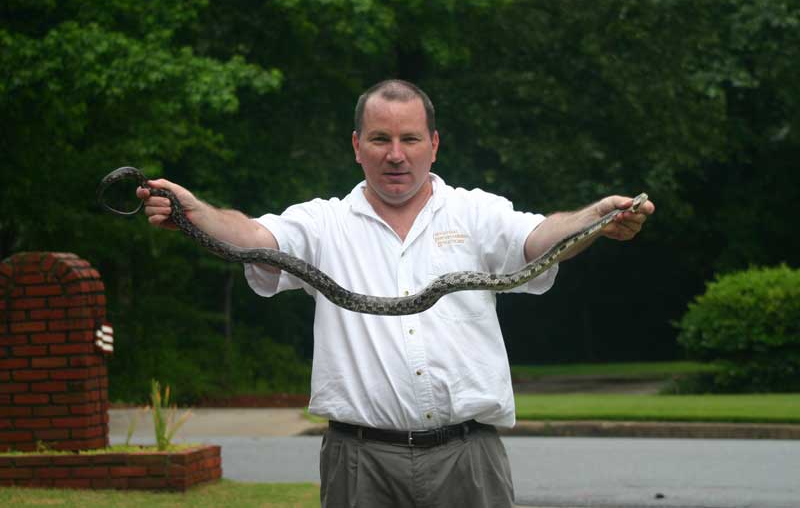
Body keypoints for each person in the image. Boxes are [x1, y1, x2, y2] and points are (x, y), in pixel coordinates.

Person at [138, 79, 655, 507]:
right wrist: (193, 212)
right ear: (356, 145)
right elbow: (252, 238)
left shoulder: (475, 213)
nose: (395, 155)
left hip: (468, 457)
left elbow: (537, 238)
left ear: (434, 144)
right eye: (380, 139)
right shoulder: (322, 223)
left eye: (409, 139)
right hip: (360, 461)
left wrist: (597, 218)